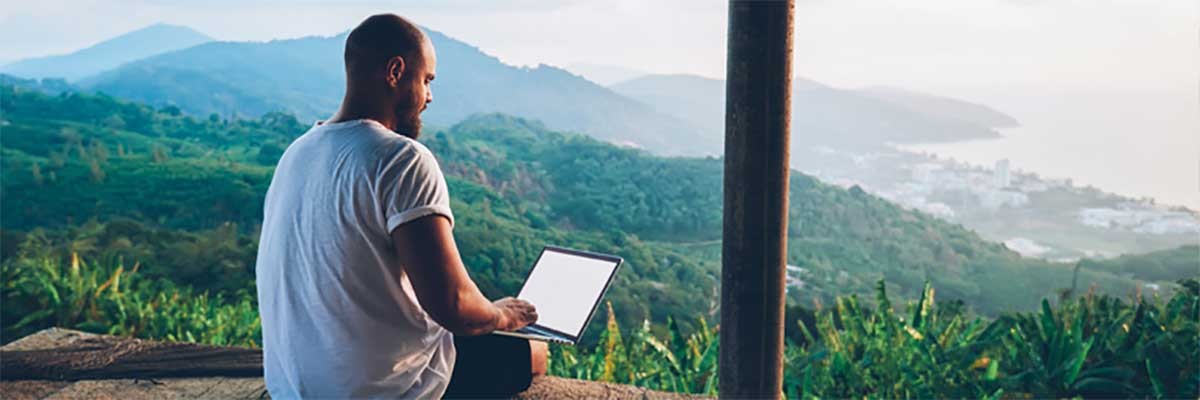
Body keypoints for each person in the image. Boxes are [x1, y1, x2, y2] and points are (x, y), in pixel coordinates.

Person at [255, 13, 548, 399]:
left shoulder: (298, 151)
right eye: (426, 80)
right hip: (380, 390)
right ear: (395, 71)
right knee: (534, 353)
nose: (429, 97)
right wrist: (501, 314)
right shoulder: (401, 158)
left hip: (292, 386)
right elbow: (453, 305)